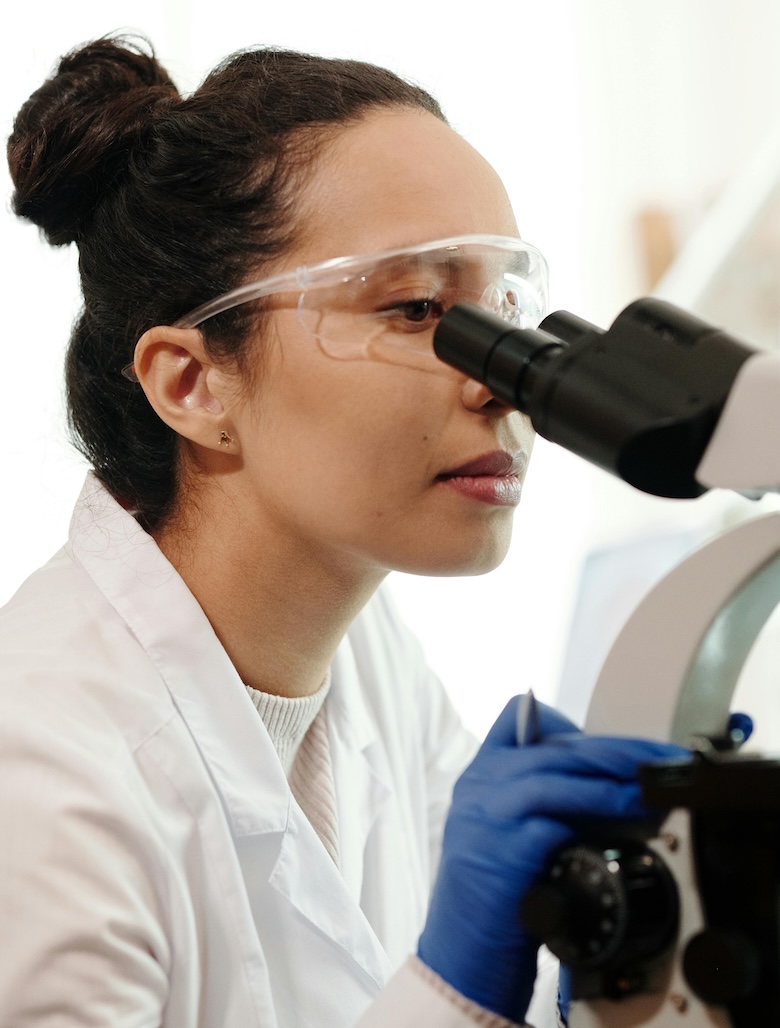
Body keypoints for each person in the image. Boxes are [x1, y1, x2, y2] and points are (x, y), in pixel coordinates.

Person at [1, 36, 684, 1027]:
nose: (498, 381)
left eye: (502, 310)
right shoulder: (38, 774)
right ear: (192, 383)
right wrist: (451, 989)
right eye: (416, 306)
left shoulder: (362, 655)